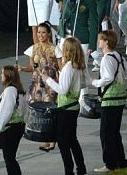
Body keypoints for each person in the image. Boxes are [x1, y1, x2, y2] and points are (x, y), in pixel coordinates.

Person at [42, 37, 87, 175]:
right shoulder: (78, 66)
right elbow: (85, 84)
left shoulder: (69, 67)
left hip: (67, 108)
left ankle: (69, 170)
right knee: (72, 139)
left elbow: (62, 90)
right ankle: (81, 167)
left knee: (62, 141)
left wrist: (47, 79)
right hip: (73, 106)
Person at [91, 31, 127, 172]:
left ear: (106, 42)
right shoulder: (118, 56)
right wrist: (123, 86)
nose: (98, 42)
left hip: (110, 99)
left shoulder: (107, 58)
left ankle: (110, 163)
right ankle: (121, 160)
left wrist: (95, 82)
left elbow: (108, 78)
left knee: (106, 133)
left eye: (100, 40)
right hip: (120, 97)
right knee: (115, 132)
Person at [18, 22, 61, 151]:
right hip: (37, 84)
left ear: (48, 34)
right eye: (38, 32)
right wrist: (22, 68)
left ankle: (52, 139)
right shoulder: (33, 48)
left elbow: (60, 67)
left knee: (50, 111)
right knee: (39, 112)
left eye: (43, 32)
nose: (40, 35)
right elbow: (32, 67)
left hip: (50, 83)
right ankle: (44, 137)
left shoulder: (55, 49)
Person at [0, 65, 27, 175]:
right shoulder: (17, 89)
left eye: (2, 73)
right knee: (10, 158)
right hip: (16, 127)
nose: (1, 75)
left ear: (8, 76)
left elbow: (6, 111)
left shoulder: (10, 90)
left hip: (10, 128)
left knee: (9, 159)